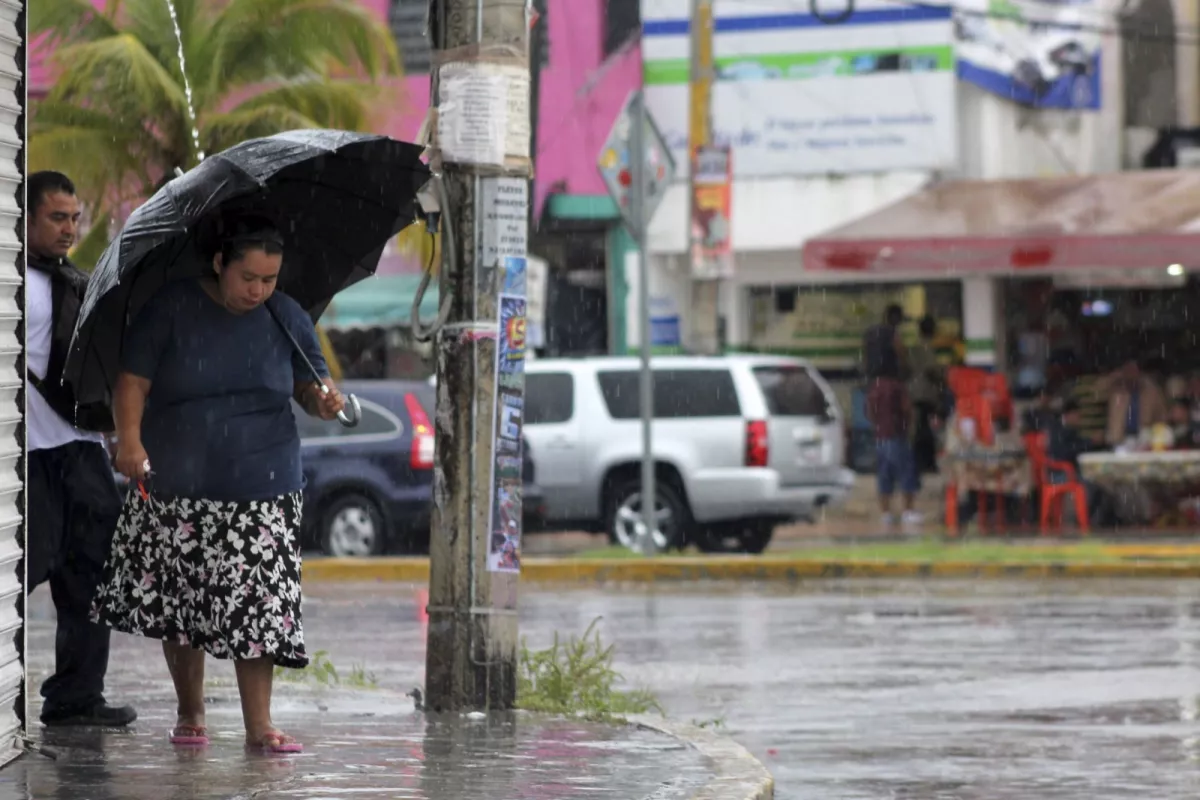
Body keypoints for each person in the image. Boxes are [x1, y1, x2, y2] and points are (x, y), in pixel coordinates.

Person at [93, 212, 347, 753]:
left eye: (269, 279)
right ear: (219, 263)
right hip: (178, 481)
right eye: (248, 277)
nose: (258, 290)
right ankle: (191, 712)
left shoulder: (286, 316)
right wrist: (130, 441)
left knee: (257, 605)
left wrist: (325, 402)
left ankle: (261, 726)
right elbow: (132, 382)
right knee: (182, 603)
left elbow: (310, 386)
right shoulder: (171, 308)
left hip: (265, 481)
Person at [25, 171, 137, 728]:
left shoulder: (76, 280)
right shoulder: (14, 284)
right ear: (25, 219)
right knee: (22, 569)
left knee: (92, 577)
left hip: (82, 449)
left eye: (75, 218)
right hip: (28, 457)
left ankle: (75, 698)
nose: (69, 229)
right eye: (56, 217)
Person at [1047, 400, 1117, 527]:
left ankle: (1090, 519)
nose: (1079, 419)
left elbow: (1080, 445)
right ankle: (1083, 519)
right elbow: (1065, 452)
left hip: (1072, 470)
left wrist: (1097, 443)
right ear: (1069, 415)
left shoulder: (1070, 429)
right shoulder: (1058, 430)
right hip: (1059, 473)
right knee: (1093, 485)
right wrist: (1090, 442)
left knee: (1101, 485)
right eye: (1077, 416)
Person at [866, 374, 921, 529]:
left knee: (884, 475)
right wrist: (908, 425)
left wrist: (878, 425)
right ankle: (908, 511)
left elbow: (869, 411)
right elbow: (907, 408)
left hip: (880, 437)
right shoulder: (897, 387)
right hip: (896, 435)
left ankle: (886, 513)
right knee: (906, 472)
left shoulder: (875, 387)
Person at [907, 314, 944, 474]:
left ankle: (922, 462)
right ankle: (926, 463)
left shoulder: (914, 347)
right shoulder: (927, 347)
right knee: (926, 430)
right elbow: (931, 370)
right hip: (925, 393)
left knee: (920, 429)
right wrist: (943, 380)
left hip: (914, 392)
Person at [1105, 359, 1167, 446]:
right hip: (1120, 438)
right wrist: (1116, 375)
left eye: (1134, 371)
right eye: (1128, 371)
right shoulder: (1116, 393)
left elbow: (1162, 417)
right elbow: (1098, 388)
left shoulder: (1151, 393)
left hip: (1145, 437)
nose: (1131, 374)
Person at [862, 304, 907, 381]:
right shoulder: (892, 332)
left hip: (872, 376)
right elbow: (900, 353)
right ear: (896, 317)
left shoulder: (870, 331)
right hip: (888, 376)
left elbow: (865, 354)